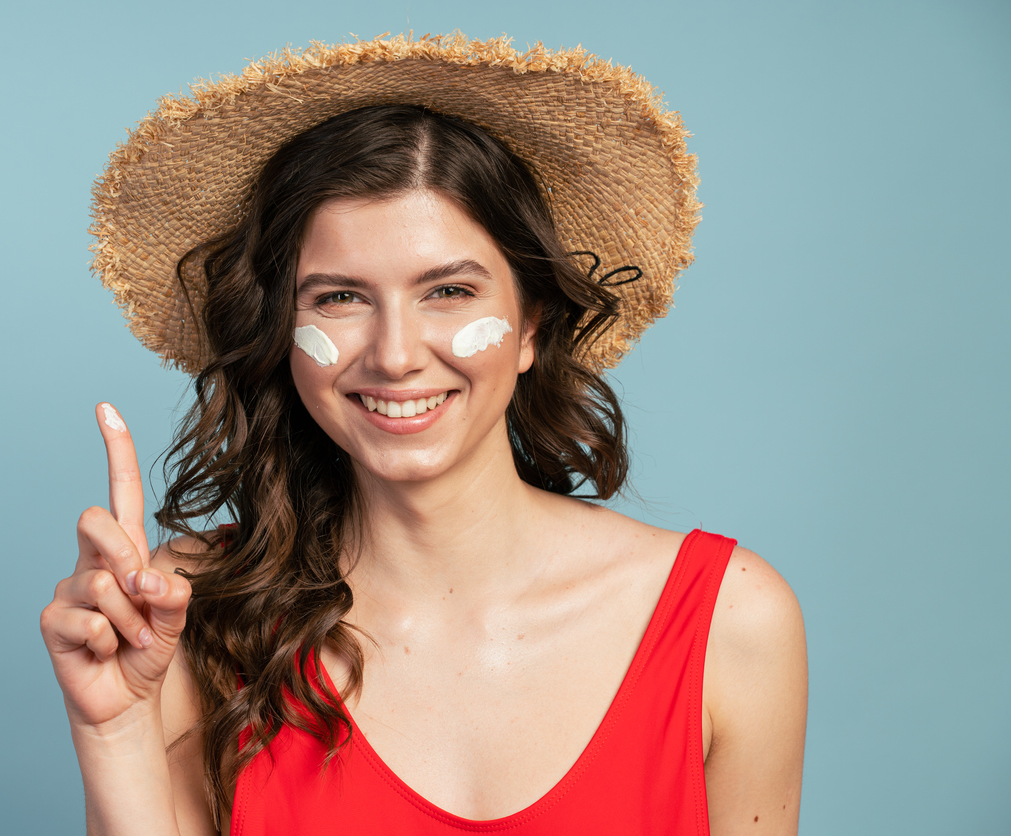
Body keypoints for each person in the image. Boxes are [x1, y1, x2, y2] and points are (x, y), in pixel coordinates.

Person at [40, 33, 808, 836]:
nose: (396, 356)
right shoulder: (185, 613)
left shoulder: (730, 619)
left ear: (531, 326)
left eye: (447, 289)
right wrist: (114, 734)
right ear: (277, 330)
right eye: (338, 298)